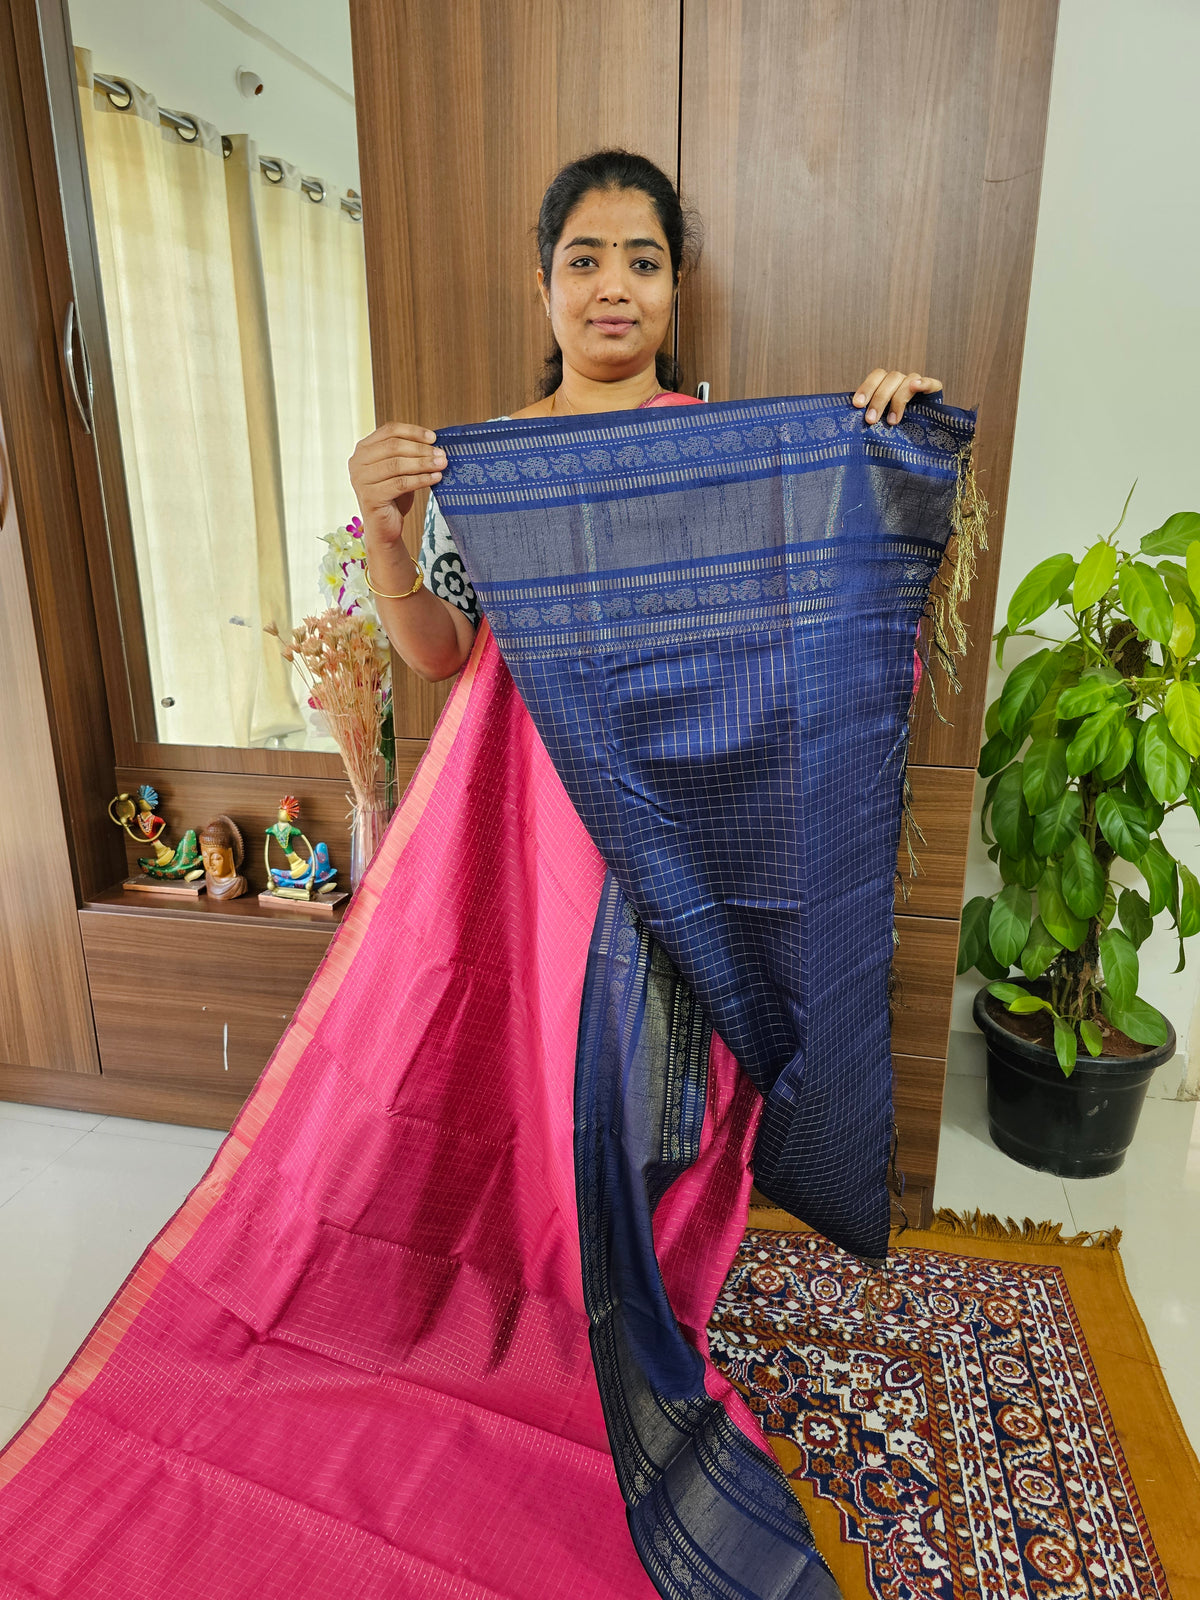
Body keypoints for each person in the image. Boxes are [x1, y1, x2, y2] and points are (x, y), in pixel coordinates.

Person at [348, 148, 944, 681]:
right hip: (537, 789)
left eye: (644, 264)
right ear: (543, 286)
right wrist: (383, 535)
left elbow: (838, 618)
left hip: (695, 780)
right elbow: (442, 656)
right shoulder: (489, 466)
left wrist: (883, 443)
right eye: (583, 263)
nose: (613, 288)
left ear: (675, 285)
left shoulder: (733, 454)